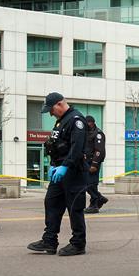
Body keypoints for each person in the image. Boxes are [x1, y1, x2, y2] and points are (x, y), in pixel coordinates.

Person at [26, 92, 88, 256]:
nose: (51, 113)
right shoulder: (61, 121)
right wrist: (54, 165)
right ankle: (49, 240)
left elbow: (77, 148)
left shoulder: (76, 120)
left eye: (51, 110)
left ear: (60, 104)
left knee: (75, 208)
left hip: (73, 172)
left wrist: (65, 166)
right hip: (59, 171)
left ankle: (78, 244)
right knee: (51, 203)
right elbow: (56, 145)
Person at [83, 115, 109, 214]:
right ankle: (100, 198)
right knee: (87, 184)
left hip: (93, 163)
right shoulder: (87, 133)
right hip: (86, 163)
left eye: (87, 123)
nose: (86, 125)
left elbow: (99, 150)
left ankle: (94, 205)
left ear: (92, 123)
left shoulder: (98, 134)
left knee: (91, 184)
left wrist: (94, 164)